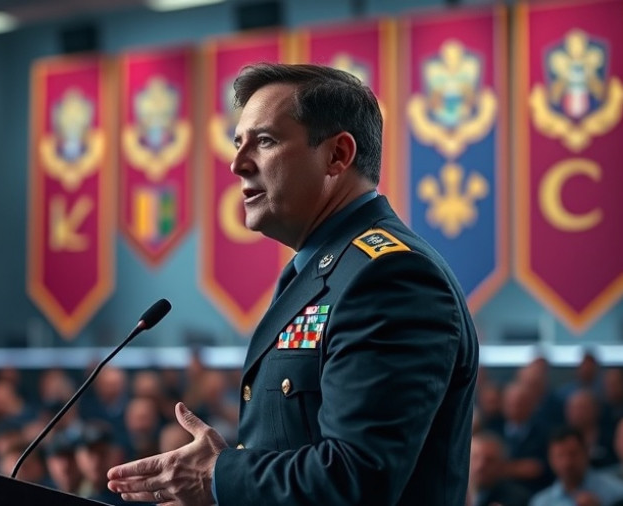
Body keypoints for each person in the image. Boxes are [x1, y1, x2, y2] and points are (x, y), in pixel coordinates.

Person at [107, 63, 479, 505]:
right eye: (238, 143)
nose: (237, 164)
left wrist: (218, 478)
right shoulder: (322, 269)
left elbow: (356, 478)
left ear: (337, 156)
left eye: (264, 141)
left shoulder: (389, 277)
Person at [530, 426, 623, 506]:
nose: (567, 462)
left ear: (586, 453)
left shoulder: (616, 492)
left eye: (573, 454)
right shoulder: (541, 502)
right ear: (550, 459)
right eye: (560, 455)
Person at [468, 432, 531, 506]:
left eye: (489, 460)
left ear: (501, 465)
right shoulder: (453, 492)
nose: (480, 466)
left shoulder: (517, 499)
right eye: (475, 457)